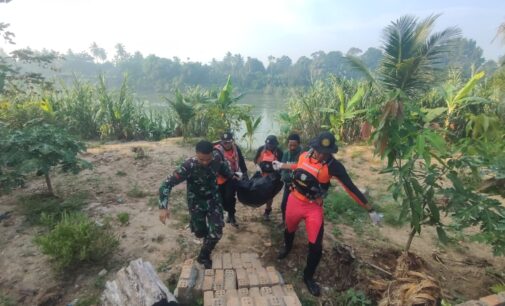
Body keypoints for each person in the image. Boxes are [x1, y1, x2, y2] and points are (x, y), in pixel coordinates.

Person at [272, 131, 382, 296]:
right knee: (289, 229)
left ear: (331, 151)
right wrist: (282, 165)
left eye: (325, 152)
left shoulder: (333, 166)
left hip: (313, 207)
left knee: (316, 247)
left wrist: (370, 210)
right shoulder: (304, 155)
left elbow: (350, 188)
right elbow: (298, 166)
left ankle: (308, 277)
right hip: (294, 201)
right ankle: (287, 247)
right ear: (313, 146)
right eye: (318, 150)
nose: (321, 154)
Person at [158, 140, 237, 269]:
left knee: (216, 232)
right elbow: (166, 184)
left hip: (213, 200)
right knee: (200, 232)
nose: (205, 162)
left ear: (212, 154)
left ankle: (203, 256)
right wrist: (163, 207)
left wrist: (234, 177)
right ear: (196, 154)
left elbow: (225, 171)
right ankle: (198, 228)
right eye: (201, 159)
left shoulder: (217, 159)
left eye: (208, 159)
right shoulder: (188, 166)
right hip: (196, 203)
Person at [214, 131, 248, 227]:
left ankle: (232, 215)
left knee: (230, 197)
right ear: (221, 142)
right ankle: (227, 210)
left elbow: (241, 160)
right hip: (220, 178)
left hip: (232, 178)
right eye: (225, 142)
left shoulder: (236, 148)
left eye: (229, 142)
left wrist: (245, 174)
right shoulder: (217, 151)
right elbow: (217, 167)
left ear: (232, 141)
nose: (227, 144)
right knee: (222, 199)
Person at [253, 135, 283, 221]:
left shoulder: (279, 152)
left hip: (272, 177)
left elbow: (282, 164)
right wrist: (257, 166)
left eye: (271, 145)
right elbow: (255, 160)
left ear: (275, 145)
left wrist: (278, 169)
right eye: (268, 145)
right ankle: (257, 203)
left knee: (270, 196)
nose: (269, 147)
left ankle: (267, 211)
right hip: (261, 174)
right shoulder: (261, 149)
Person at [280, 133, 302, 224]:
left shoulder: (302, 154)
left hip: (299, 186)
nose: (292, 147)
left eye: (295, 145)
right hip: (288, 184)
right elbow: (283, 167)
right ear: (287, 144)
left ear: (299, 144)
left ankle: (294, 223)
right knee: (284, 204)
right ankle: (284, 221)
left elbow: (301, 169)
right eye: (290, 145)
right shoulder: (286, 153)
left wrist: (289, 168)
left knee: (297, 206)